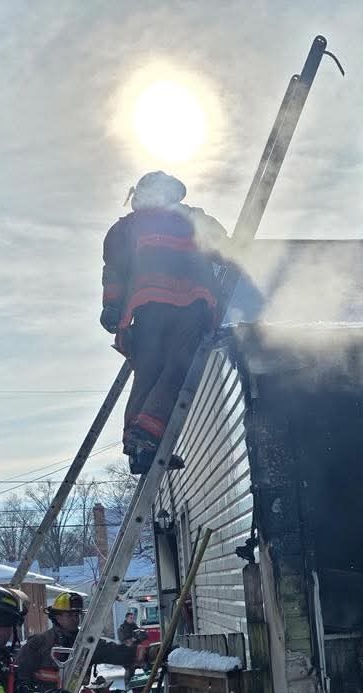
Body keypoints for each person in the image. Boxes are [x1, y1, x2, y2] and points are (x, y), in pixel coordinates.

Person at [100, 170, 231, 473]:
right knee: (178, 369)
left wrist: (112, 306)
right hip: (188, 306)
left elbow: (114, 271)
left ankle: (138, 447)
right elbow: (225, 248)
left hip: (148, 308)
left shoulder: (129, 226)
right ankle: (146, 438)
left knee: (147, 374)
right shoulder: (188, 219)